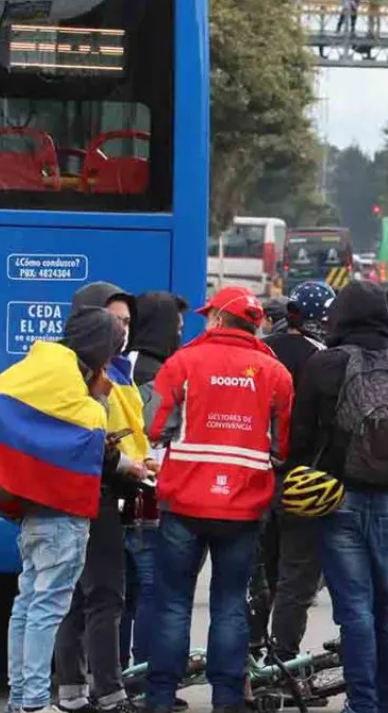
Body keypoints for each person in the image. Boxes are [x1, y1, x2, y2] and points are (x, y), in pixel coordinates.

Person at [0, 307, 129, 713]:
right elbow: (87, 432)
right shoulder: (72, 389)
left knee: (27, 604)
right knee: (46, 608)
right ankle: (32, 703)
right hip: (62, 517)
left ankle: (20, 699)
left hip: (33, 514)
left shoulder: (43, 369)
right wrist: (99, 402)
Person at [144, 287, 294, 713]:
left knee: (173, 604)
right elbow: (283, 443)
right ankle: (227, 699)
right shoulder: (275, 373)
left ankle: (160, 697)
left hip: (183, 505)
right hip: (243, 508)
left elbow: (153, 427)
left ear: (216, 321)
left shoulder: (182, 363)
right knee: (230, 604)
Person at [289, 281, 388, 713]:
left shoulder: (323, 364)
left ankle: (361, 704)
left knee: (355, 610)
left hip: (338, 498)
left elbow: (301, 437)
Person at [55, 282, 149, 713]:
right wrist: (126, 465)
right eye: (115, 321)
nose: (123, 330)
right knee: (104, 595)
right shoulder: (83, 374)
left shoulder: (118, 370)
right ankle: (107, 694)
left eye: (128, 322)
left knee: (76, 596)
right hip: (93, 491)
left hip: (106, 487)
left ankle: (73, 690)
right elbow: (90, 438)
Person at [254, 281, 334, 662]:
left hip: (253, 477)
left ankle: (250, 656)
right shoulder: (323, 358)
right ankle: (282, 662)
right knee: (295, 579)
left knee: (259, 573)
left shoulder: (261, 350)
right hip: (304, 480)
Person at [121, 292, 187, 706]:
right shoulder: (161, 375)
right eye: (177, 326)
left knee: (118, 595)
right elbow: (161, 433)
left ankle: (111, 677)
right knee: (150, 591)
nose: (181, 333)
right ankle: (143, 677)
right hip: (149, 497)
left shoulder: (117, 363)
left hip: (114, 496)